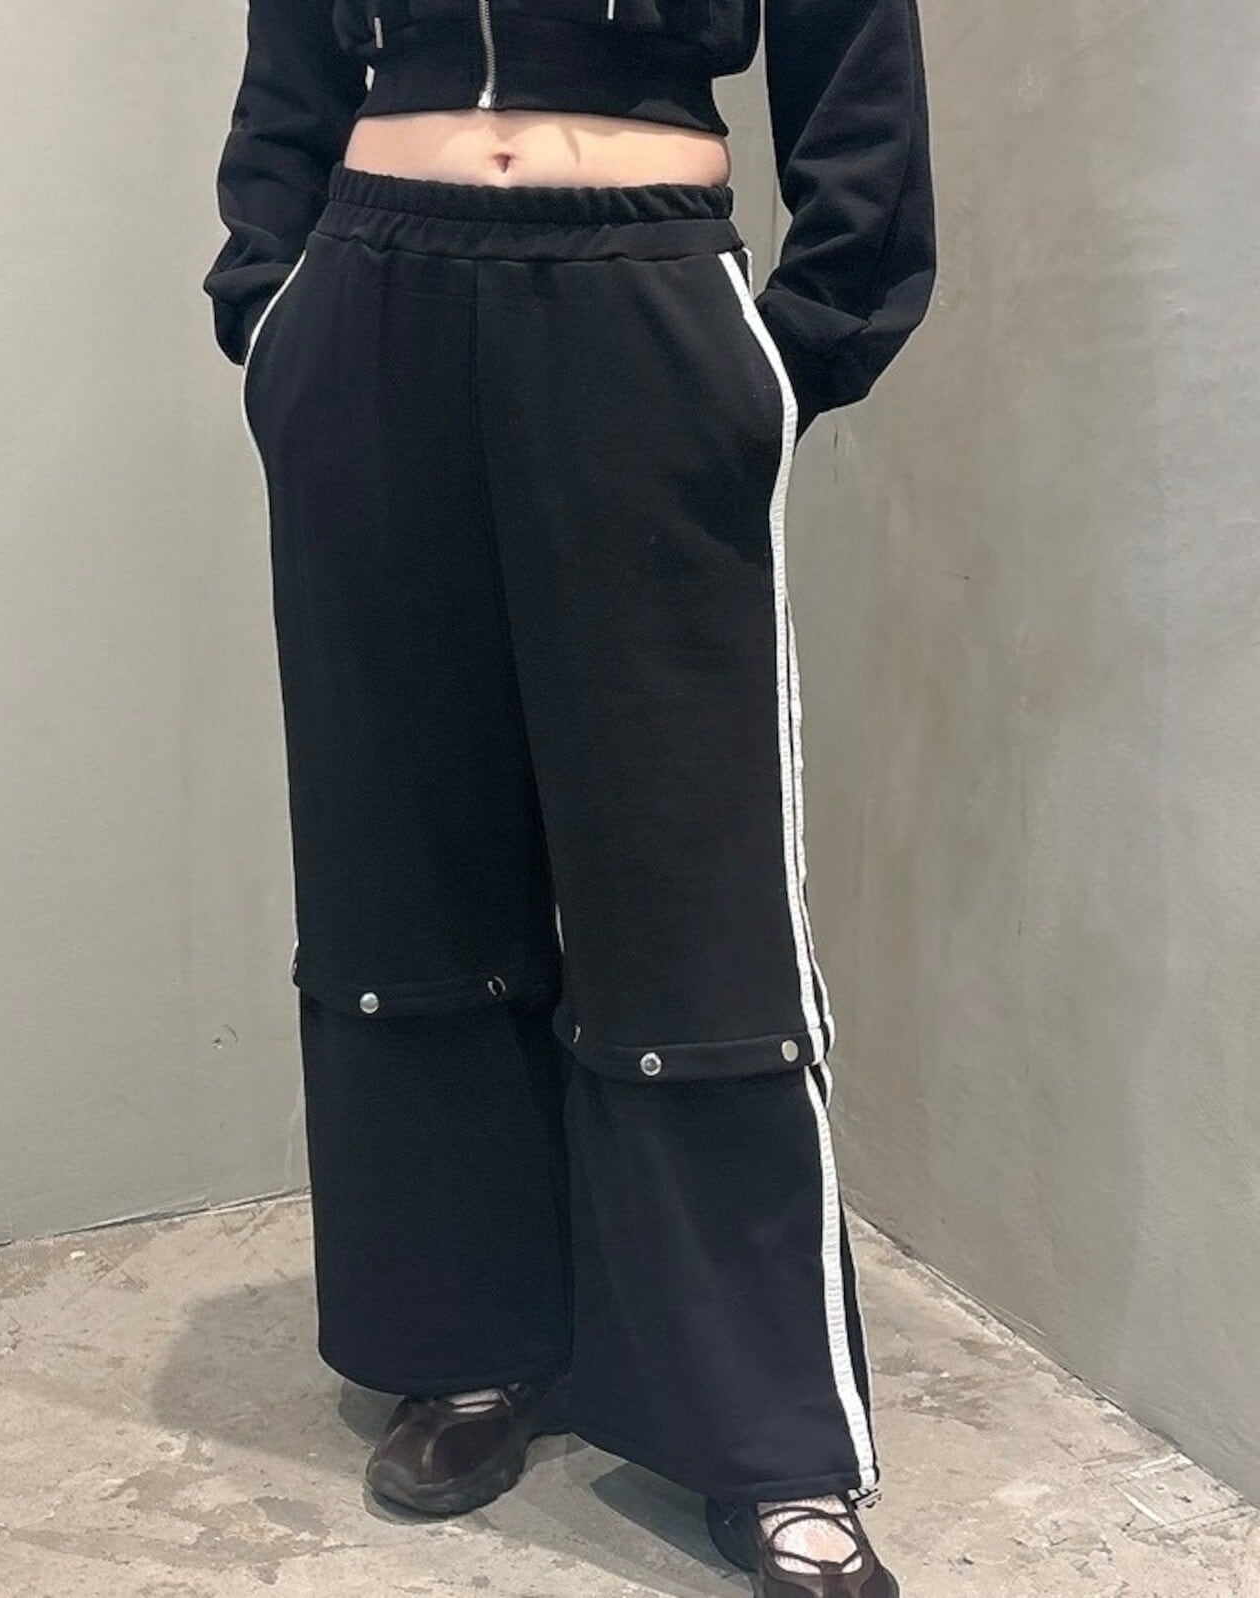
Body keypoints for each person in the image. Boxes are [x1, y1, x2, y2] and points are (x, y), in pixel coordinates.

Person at [202, 1, 936, 1592]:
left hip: (641, 296)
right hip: (372, 301)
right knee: (402, 847)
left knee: (689, 878)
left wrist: (790, 351)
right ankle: (465, 1345)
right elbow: (289, 75)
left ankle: (760, 1434)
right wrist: (271, 308)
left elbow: (857, 78)